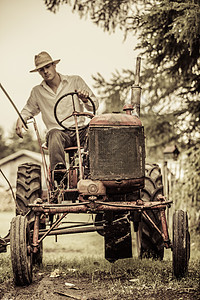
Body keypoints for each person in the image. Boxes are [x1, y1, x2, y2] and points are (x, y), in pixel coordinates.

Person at [16, 51, 99, 173]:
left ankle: (91, 170)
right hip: (59, 135)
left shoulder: (75, 81)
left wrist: (85, 99)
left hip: (79, 130)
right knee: (54, 134)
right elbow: (28, 110)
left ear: (54, 65)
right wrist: (20, 119)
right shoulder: (37, 91)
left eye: (47, 67)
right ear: (39, 72)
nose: (45, 71)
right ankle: (59, 175)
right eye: (41, 69)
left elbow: (94, 105)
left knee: (96, 131)